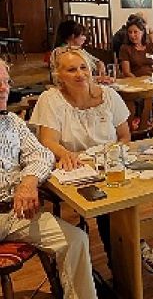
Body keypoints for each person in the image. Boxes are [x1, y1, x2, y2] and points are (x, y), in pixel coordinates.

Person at [30, 48, 153, 277]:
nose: (80, 74)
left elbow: (124, 136)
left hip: (110, 163)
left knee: (130, 189)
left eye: (83, 67)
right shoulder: (51, 100)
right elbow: (48, 140)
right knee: (106, 199)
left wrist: (113, 153)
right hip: (74, 169)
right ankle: (129, 255)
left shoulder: (109, 96)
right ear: (59, 75)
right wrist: (66, 154)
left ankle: (128, 252)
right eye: (71, 70)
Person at [0, 59, 98, 299]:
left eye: (6, 82)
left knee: (75, 240)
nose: (4, 89)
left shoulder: (12, 122)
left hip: (15, 212)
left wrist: (28, 181)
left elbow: (42, 154)